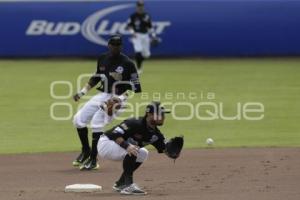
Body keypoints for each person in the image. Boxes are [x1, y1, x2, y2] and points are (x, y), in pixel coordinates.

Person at [72, 34, 142, 170]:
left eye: (118, 45)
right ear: (109, 45)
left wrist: (118, 99)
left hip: (119, 98)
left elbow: (135, 87)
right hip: (103, 94)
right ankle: (86, 151)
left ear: (121, 46)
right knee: (78, 120)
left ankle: (93, 160)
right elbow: (96, 77)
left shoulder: (128, 63)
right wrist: (82, 92)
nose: (116, 47)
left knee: (96, 123)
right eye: (113, 45)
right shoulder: (103, 58)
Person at [97, 101, 181, 195]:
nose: (163, 117)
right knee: (134, 149)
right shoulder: (134, 123)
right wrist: (127, 146)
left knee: (143, 153)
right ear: (149, 114)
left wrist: (174, 153)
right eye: (160, 114)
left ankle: (121, 183)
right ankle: (128, 186)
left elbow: (165, 150)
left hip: (118, 147)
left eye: (163, 115)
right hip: (106, 143)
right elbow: (114, 134)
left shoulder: (156, 134)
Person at [127, 0, 155, 73]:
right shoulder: (133, 16)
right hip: (137, 35)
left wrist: (153, 35)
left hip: (145, 36)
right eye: (139, 6)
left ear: (143, 6)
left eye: (141, 6)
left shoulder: (146, 16)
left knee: (147, 55)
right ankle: (139, 69)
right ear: (136, 6)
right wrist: (132, 32)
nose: (140, 7)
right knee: (138, 51)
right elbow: (129, 26)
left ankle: (139, 60)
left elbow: (150, 27)